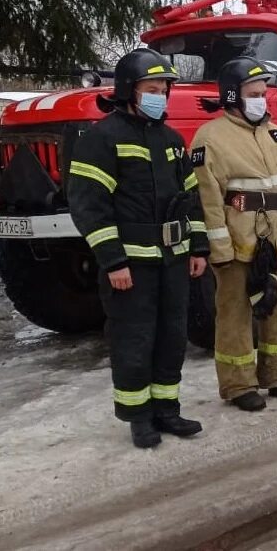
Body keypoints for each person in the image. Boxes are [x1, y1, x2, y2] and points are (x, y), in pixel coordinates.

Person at [68, 48, 209, 449]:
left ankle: (167, 409)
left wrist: (197, 247)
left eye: (165, 89)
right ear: (130, 90)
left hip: (173, 261)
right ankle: (139, 417)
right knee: (134, 339)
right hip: (130, 265)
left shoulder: (170, 138)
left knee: (171, 336)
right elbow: (89, 207)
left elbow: (191, 197)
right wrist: (113, 260)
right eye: (153, 89)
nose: (160, 96)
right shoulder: (102, 138)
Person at [191, 57, 277, 411]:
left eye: (263, 92)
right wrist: (219, 247)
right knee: (234, 314)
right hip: (237, 245)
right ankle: (238, 385)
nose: (262, 99)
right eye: (254, 93)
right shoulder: (211, 139)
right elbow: (208, 199)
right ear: (233, 95)